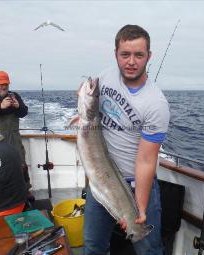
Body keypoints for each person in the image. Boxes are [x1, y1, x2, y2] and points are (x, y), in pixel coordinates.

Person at [84, 25, 170, 255]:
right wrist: (83, 103)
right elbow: (91, 113)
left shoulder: (156, 104)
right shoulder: (105, 78)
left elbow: (146, 159)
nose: (131, 62)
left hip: (137, 185)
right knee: (93, 247)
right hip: (101, 181)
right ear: (116, 54)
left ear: (148, 56)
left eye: (138, 55)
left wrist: (139, 207)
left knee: (148, 249)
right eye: (125, 54)